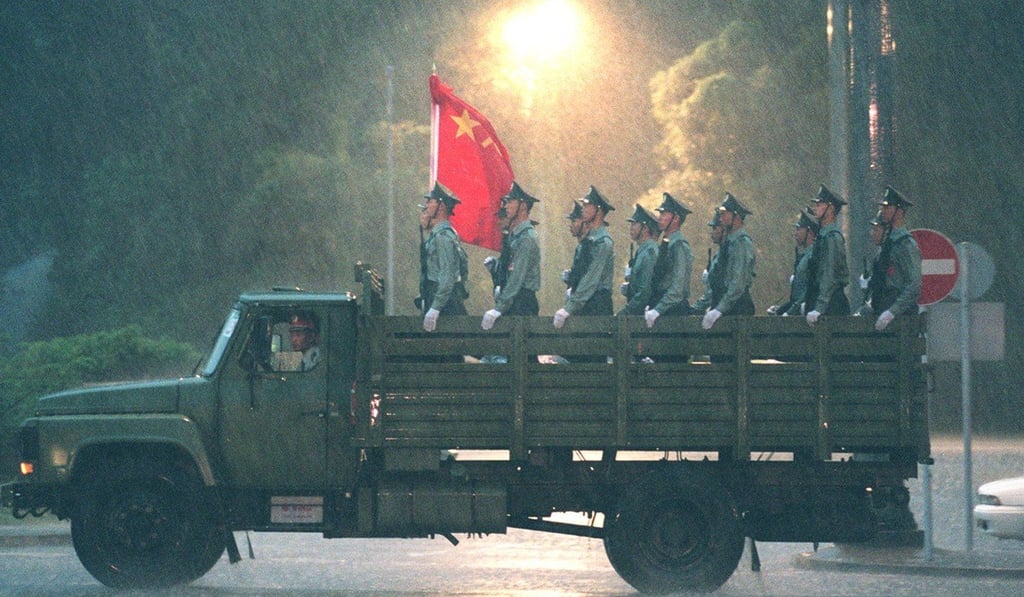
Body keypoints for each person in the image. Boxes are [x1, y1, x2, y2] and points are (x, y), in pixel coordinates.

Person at [482, 182, 541, 329]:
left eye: (510, 202)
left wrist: (499, 308)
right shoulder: (515, 236)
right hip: (513, 299)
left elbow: (517, 277)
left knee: (519, 342)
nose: (506, 206)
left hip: (522, 303)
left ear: (523, 206)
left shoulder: (526, 238)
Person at [553, 186, 615, 328]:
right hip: (583, 304)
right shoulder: (588, 241)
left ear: (598, 211)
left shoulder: (602, 242)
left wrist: (569, 307)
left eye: (587, 206)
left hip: (597, 306)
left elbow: (591, 279)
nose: (583, 209)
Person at [693, 193, 756, 330]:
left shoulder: (741, 243)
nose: (720, 218)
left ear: (736, 217)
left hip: (736, 309)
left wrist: (719, 309)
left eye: (724, 214)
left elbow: (737, 283)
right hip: (725, 306)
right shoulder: (728, 243)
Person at [418, 181, 469, 332]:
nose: (427, 205)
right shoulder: (441, 235)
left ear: (441, 207)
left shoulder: (443, 237)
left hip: (445, 306)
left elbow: (447, 276)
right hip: (442, 300)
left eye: (430, 201)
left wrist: (435, 307)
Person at [869, 186, 922, 330]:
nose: (883, 211)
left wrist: (892, 312)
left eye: (888, 208)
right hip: (883, 307)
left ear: (899, 212)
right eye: (883, 208)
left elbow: (914, 284)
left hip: (900, 319)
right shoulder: (889, 242)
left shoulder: (905, 244)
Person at [646, 192, 694, 328]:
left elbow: (678, 288)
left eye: (664, 214)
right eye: (660, 213)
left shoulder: (679, 245)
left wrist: (658, 310)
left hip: (673, 311)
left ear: (676, 219)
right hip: (662, 306)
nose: (659, 217)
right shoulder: (666, 243)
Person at [804, 185, 850, 325]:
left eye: (819, 204)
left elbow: (830, 274)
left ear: (830, 209)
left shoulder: (832, 237)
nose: (815, 208)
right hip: (823, 300)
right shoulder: (823, 236)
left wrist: (820, 307)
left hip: (831, 304)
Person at [768, 208, 820, 316]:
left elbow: (808, 292)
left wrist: (790, 312)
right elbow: (796, 296)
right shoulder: (805, 255)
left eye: (799, 229)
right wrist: (781, 309)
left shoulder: (813, 256)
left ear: (809, 232)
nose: (796, 234)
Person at [616, 204, 660, 316]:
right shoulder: (642, 251)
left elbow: (645, 291)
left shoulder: (649, 252)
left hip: (643, 314)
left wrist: (627, 311)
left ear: (645, 228)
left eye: (634, 224)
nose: (631, 228)